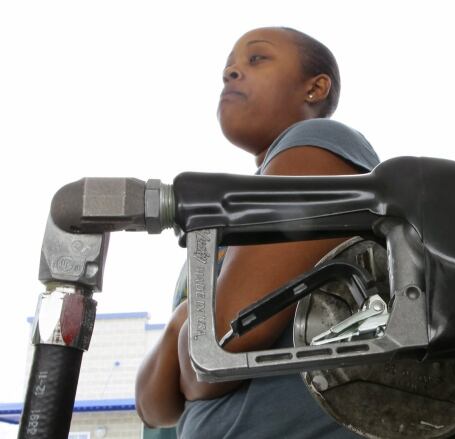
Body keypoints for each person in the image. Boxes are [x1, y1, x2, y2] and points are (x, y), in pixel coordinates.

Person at [135, 26, 378, 438]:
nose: (231, 72)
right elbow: (153, 409)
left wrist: (181, 326)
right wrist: (187, 327)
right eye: (228, 66)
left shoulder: (319, 140)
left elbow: (219, 348)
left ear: (315, 88)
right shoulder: (234, 217)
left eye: (256, 59)